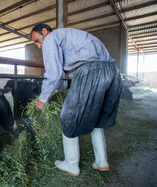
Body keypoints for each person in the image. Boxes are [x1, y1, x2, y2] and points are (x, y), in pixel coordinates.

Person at [30, 23, 122, 177]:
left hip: (91, 73)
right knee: (96, 118)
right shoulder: (70, 36)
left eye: (37, 41)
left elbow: (54, 74)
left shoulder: (51, 38)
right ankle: (101, 161)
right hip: (112, 72)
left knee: (68, 117)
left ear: (44, 32)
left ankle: (71, 164)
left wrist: (42, 99)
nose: (39, 46)